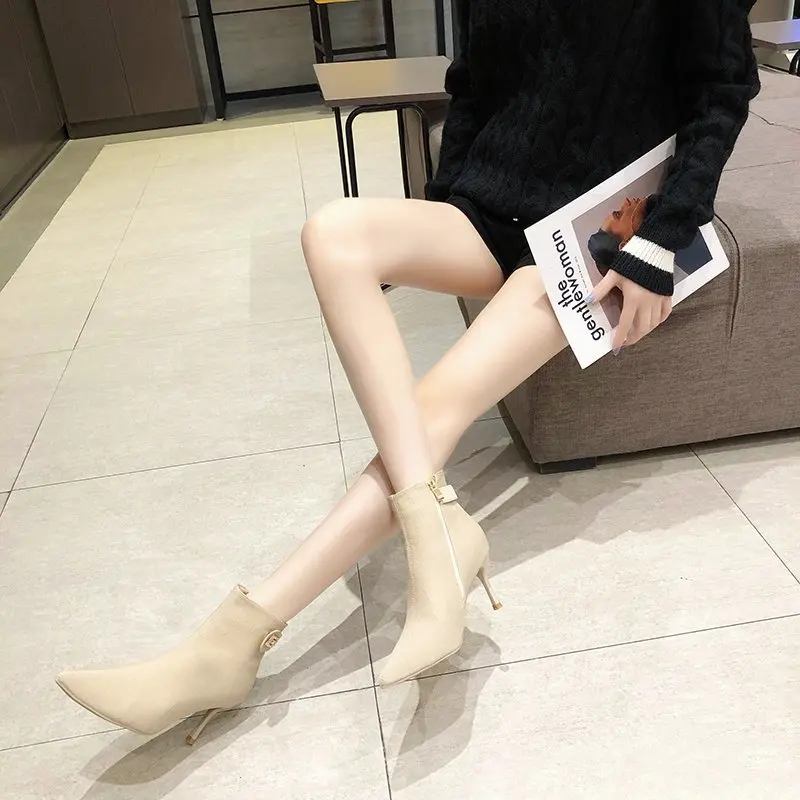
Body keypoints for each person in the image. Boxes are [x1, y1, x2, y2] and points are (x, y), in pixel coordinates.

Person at [55, 0, 760, 745]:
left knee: (432, 408)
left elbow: (722, 90)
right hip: (494, 209)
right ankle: (439, 529)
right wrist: (446, 201)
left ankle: (233, 642)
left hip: (597, 232)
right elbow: (473, 82)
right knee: (332, 233)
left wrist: (662, 238)